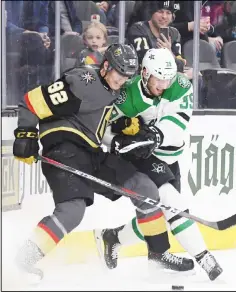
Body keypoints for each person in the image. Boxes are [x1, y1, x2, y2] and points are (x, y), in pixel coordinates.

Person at [12, 44, 173, 281]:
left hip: (91, 151)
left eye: (128, 76)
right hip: (64, 148)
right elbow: (31, 101)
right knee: (72, 210)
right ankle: (23, 260)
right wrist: (25, 134)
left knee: (144, 187)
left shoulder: (115, 87)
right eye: (120, 73)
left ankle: (158, 254)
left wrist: (122, 125)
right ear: (106, 66)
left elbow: (97, 114)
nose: (123, 80)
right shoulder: (82, 81)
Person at [94, 48, 223, 281]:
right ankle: (205, 259)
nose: (164, 84)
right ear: (144, 73)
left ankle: (114, 237)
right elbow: (103, 128)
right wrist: (118, 141)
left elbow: (176, 125)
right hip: (143, 157)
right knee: (173, 204)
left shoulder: (180, 85)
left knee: (163, 213)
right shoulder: (127, 95)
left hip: (170, 157)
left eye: (167, 78)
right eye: (158, 78)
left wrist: (152, 135)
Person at [126, 0, 186, 73]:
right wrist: (166, 53)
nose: (164, 16)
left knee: (196, 75)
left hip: (167, 75)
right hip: (143, 76)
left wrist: (169, 52)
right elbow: (146, 63)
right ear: (152, 13)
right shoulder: (138, 29)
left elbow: (180, 65)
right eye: (160, 11)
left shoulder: (174, 33)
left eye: (168, 13)